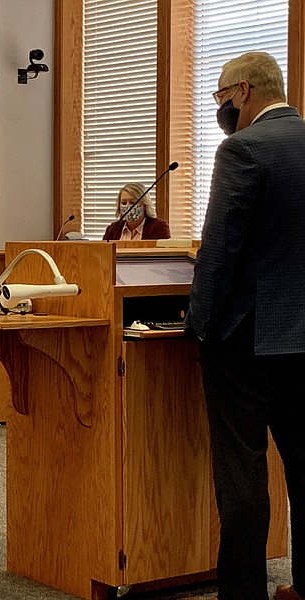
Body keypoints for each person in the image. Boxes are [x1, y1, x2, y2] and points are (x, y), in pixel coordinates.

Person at [187, 51, 305, 600]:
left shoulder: (243, 149)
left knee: (242, 474)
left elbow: (220, 253)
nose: (221, 110)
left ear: (241, 94)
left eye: (219, 99)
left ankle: (243, 594)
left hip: (247, 342)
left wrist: (199, 328)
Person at [102, 183, 171, 241]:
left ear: (144, 204)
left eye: (133, 202)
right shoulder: (112, 229)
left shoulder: (159, 227)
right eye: (124, 202)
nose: (128, 206)